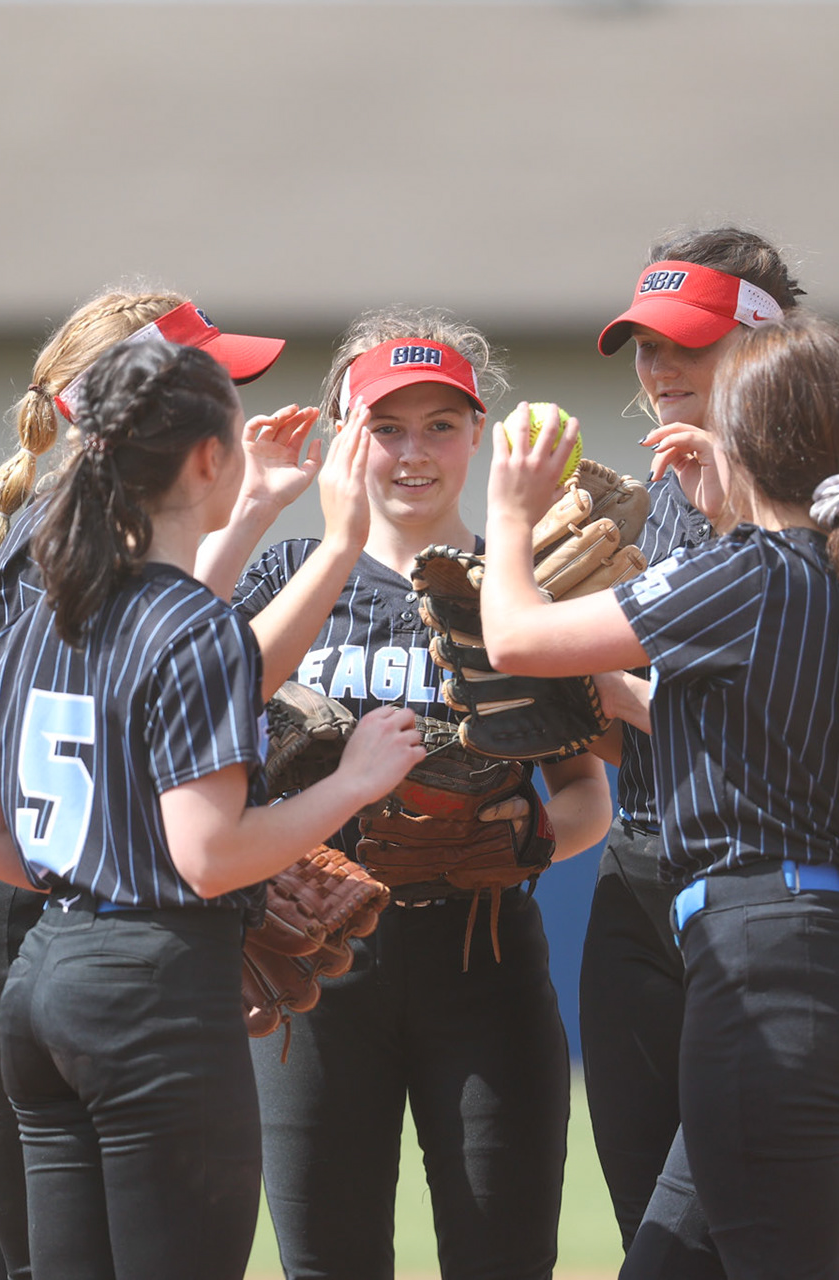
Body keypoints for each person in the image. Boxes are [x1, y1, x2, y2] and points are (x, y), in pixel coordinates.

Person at [0, 337, 426, 1280]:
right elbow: (209, 857)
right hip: (148, 995)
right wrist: (353, 783)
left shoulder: (46, 607)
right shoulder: (193, 624)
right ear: (206, 458)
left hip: (42, 984)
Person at [478, 311, 839, 1280]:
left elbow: (514, 639)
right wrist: (728, 497)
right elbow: (691, 713)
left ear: (749, 439)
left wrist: (512, 512)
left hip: (772, 967)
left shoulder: (743, 573)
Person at [0, 289, 299, 1280]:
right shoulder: (57, 549)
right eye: (203, 386)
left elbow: (187, 631)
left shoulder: (89, 546)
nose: (227, 406)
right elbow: (191, 657)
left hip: (18, 912)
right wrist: (148, 916)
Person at [231, 309, 614, 1280]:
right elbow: (203, 776)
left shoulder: (514, 588)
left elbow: (585, 795)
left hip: (481, 959)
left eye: (441, 423)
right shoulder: (282, 574)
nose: (415, 451)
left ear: (479, 433)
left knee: (503, 1259)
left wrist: (527, 839)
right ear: (340, 435)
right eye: (386, 425)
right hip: (314, 959)